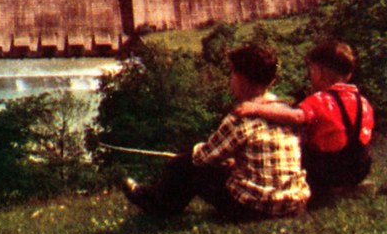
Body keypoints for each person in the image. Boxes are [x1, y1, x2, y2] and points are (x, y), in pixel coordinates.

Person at [121, 43, 310, 220]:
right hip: (291, 203)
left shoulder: (241, 116)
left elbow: (203, 158)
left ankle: (157, 204)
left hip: (254, 208)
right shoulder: (284, 111)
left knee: (188, 163)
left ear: (241, 79)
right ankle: (158, 199)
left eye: (232, 74)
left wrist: (186, 154)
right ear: (272, 81)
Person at [234, 39, 374, 199]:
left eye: (312, 71)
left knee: (298, 146)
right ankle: (348, 188)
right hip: (359, 166)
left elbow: (297, 116)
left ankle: (319, 190)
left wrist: (258, 108)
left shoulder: (319, 100)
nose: (310, 76)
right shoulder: (362, 101)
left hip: (329, 168)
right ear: (348, 74)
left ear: (320, 72)